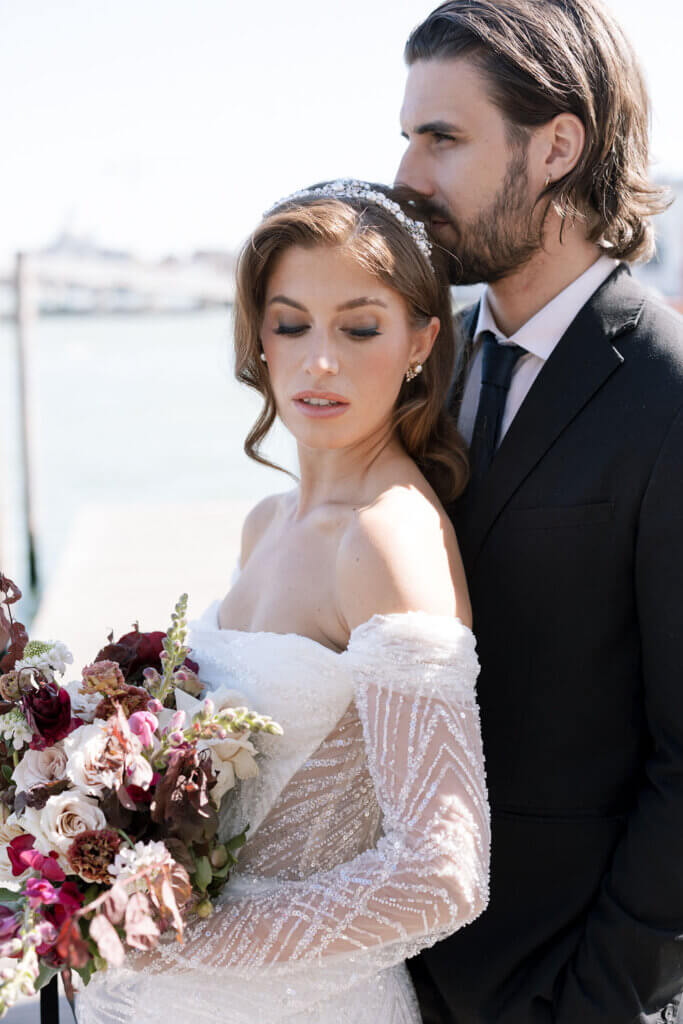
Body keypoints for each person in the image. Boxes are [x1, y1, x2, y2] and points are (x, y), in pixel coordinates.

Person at [74, 181, 490, 1024]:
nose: (319, 360)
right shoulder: (265, 523)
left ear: (420, 341)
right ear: (258, 340)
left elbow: (441, 872)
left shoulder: (386, 538)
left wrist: (188, 939)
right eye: (290, 323)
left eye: (359, 327)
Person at [395, 2, 683, 1022]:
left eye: (442, 138)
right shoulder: (418, 362)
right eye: (407, 137)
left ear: (555, 145)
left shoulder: (667, 391)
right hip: (392, 978)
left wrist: (598, 1000)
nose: (406, 178)